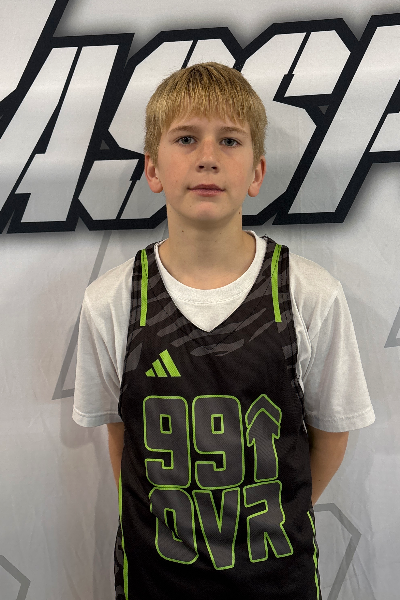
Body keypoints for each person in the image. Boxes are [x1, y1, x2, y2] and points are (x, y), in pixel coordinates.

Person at [72, 62, 375, 599]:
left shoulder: (309, 293)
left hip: (275, 578)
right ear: (152, 168)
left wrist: (269, 518)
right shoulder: (111, 301)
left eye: (229, 141)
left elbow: (331, 434)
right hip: (155, 578)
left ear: (256, 173)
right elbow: (121, 434)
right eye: (186, 138)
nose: (207, 156)